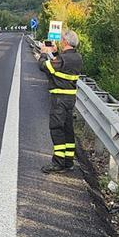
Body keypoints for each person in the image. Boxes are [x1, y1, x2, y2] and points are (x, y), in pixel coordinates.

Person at [40, 30, 83, 173]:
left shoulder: (63, 59)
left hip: (59, 99)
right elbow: (61, 65)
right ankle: (68, 162)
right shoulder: (77, 57)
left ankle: (58, 163)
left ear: (65, 41)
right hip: (70, 99)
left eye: (62, 40)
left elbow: (44, 67)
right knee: (68, 129)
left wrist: (44, 53)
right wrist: (55, 53)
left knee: (57, 129)